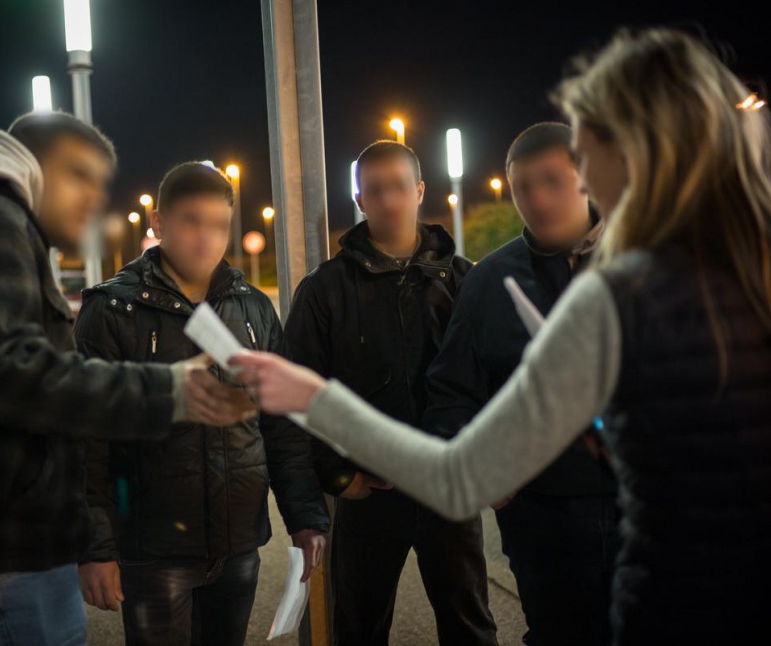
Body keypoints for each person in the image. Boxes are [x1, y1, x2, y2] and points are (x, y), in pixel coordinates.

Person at [232, 28, 771, 645]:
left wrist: (311, 398)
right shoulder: (725, 267)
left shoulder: (616, 290)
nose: (582, 178)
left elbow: (457, 476)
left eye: (586, 155)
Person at [0, 113, 255, 646]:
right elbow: (10, 374)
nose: (94, 199)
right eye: (80, 176)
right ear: (35, 167)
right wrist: (169, 389)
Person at [72, 161, 329, 646]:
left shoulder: (253, 307)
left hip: (237, 545)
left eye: (218, 224)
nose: (205, 238)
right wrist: (96, 549)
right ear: (158, 223)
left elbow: (281, 425)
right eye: (191, 221)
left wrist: (305, 516)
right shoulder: (112, 311)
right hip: (153, 550)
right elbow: (87, 442)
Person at [283, 141, 497, 645]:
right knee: (358, 629)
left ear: (420, 190)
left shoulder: (464, 281)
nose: (388, 200)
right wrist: (338, 475)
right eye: (374, 190)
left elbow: (494, 383)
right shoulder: (325, 290)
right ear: (359, 200)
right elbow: (298, 393)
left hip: (448, 488)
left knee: (471, 629)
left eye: (398, 187)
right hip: (368, 494)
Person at [423, 122, 619, 646]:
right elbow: (450, 391)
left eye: (551, 180)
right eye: (521, 187)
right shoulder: (491, 281)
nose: (535, 198)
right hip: (546, 520)